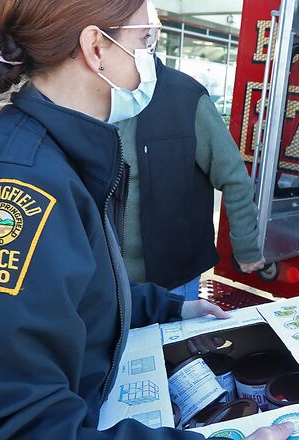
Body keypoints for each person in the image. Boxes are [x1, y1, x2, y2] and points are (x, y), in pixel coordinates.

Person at [0, 1, 291, 439]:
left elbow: (75, 296)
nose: (150, 61)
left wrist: (167, 307)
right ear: (95, 48)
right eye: (145, 39)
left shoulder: (61, 157)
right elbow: (3, 426)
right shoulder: (16, 188)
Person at [113, 5, 263, 300]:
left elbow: (233, 177)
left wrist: (246, 247)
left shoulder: (186, 98)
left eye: (147, 34)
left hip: (173, 278)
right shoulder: (98, 98)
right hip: (110, 277)